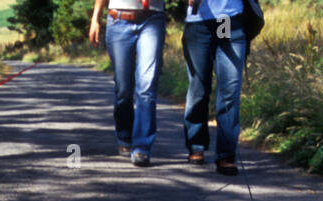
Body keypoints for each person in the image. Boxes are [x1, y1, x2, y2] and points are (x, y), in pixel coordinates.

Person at [89, 0, 166, 167]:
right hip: (118, 20)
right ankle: (125, 136)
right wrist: (95, 18)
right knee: (123, 88)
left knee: (146, 86)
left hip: (152, 21)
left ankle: (142, 147)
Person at [181, 0, 248, 175]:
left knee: (228, 90)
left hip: (226, 19)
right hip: (199, 22)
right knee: (198, 88)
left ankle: (226, 154)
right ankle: (196, 145)